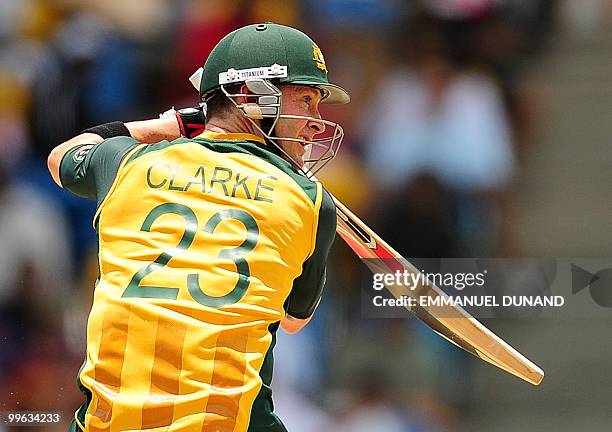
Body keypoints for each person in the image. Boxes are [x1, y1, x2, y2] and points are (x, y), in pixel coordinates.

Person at [47, 23, 349, 432]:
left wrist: (172, 125)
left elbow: (62, 155)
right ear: (250, 96)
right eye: (306, 100)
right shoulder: (307, 200)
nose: (315, 121)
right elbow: (294, 321)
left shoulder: (126, 165)